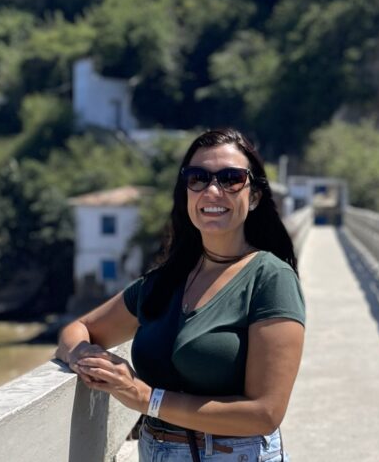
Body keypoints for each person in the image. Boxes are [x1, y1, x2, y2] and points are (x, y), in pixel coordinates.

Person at [56, 128, 305, 462]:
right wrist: (82, 356)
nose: (212, 191)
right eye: (198, 178)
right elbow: (77, 330)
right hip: (155, 450)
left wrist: (146, 398)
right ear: (186, 192)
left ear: (255, 195)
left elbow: (265, 413)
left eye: (230, 179)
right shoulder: (165, 282)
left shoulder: (270, 278)